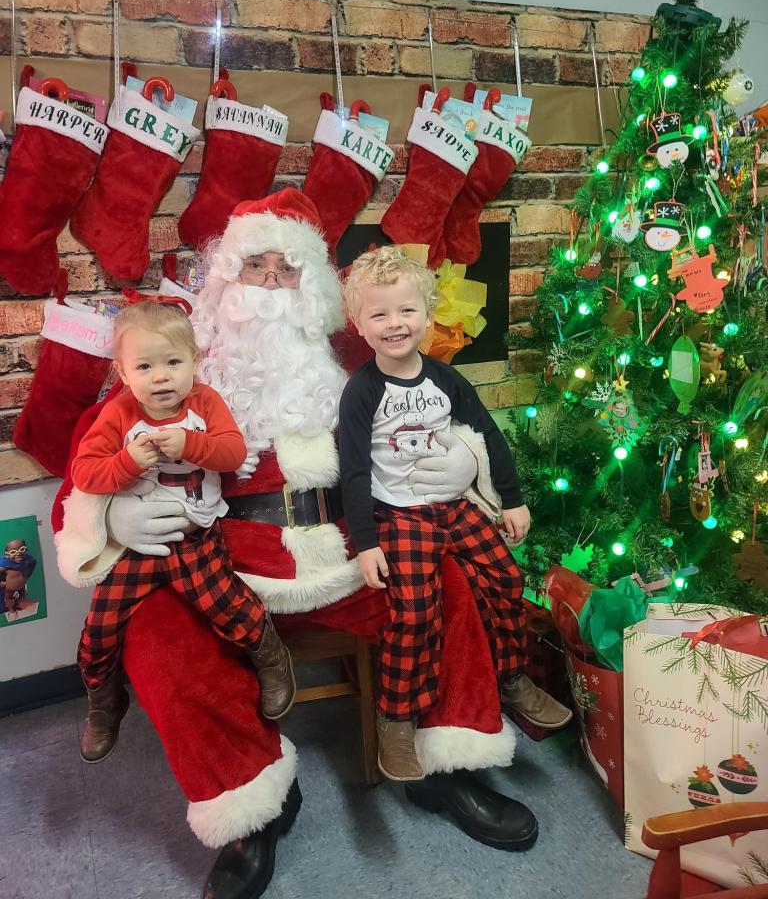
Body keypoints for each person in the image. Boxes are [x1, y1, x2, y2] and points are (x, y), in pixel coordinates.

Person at [53, 189, 554, 899]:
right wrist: (111, 522)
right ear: (224, 284)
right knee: (155, 635)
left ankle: (450, 770)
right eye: (251, 267)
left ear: (312, 284)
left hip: (353, 551)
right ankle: (250, 805)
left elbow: (447, 406)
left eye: (284, 269)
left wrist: (468, 463)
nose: (266, 284)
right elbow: (81, 471)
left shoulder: (355, 352)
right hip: (224, 563)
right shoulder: (177, 370)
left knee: (447, 583)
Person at [340, 246, 571, 783]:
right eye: (379, 314)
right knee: (416, 610)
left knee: (506, 578)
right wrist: (367, 540)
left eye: (406, 311)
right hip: (399, 516)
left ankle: (512, 678)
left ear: (428, 312)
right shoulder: (362, 392)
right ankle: (397, 718)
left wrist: (510, 499)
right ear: (358, 323)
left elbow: (487, 436)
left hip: (454, 506)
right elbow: (352, 470)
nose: (395, 325)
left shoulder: (445, 378)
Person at [65, 299, 296, 764]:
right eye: (145, 366)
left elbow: (231, 454)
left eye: (173, 362)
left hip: (194, 535)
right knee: (100, 628)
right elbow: (84, 473)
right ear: (124, 373)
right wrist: (129, 462)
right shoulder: (120, 414)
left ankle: (271, 657)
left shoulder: (205, 403)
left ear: (195, 361)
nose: (162, 377)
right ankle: (104, 699)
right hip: (136, 546)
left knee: (227, 604)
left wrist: (193, 443)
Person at [0, 538, 37, 613]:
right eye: (13, 552)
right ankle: (11, 611)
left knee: (22, 597)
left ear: (26, 549)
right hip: (9, 588)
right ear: (7, 555)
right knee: (9, 600)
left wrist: (27, 576)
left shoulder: (28, 560)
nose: (18, 554)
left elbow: (33, 563)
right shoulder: (5, 564)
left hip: (21, 587)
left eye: (21, 549)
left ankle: (21, 606)